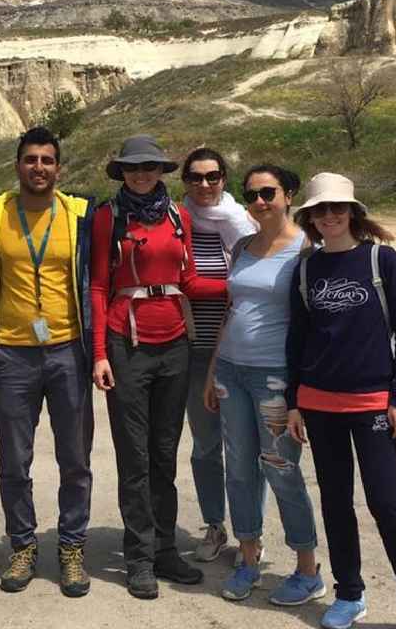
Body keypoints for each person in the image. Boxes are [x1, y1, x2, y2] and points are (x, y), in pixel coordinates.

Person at [0, 126, 95, 597]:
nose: (39, 168)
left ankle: (71, 547)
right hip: (12, 353)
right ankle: (23, 545)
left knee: (75, 458)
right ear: (17, 165)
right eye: (30, 159)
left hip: (69, 349)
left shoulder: (79, 215)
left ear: (59, 167)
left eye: (47, 160)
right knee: (14, 458)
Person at [284, 173, 396, 629]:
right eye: (320, 210)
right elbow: (297, 341)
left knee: (385, 502)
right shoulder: (306, 268)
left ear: (353, 212)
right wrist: (293, 402)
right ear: (309, 218)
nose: (330, 216)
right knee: (335, 501)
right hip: (319, 403)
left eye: (338, 208)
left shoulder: (381, 261)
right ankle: (349, 594)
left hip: (372, 402)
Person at [90, 134, 228, 600]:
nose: (142, 174)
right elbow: (97, 286)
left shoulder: (177, 215)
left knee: (164, 453)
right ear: (122, 172)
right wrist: (99, 354)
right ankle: (139, 558)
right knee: (134, 456)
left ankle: (166, 548)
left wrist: (237, 285)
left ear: (161, 171)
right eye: (133, 168)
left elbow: (186, 279)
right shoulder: (108, 218)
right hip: (125, 342)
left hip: (174, 342)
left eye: (149, 167)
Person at [202, 165, 322, 605]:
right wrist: (214, 371)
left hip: (275, 376)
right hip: (232, 371)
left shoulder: (307, 251)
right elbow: (231, 311)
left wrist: (302, 393)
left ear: (288, 195)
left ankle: (308, 569)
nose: (258, 202)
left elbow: (314, 325)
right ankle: (249, 557)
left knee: (280, 467)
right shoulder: (243, 248)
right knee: (238, 468)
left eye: (268, 192)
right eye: (251, 194)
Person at [177, 147, 255, 564]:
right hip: (194, 351)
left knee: (245, 447)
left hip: (240, 353)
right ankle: (214, 525)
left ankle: (249, 533)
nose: (204, 185)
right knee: (206, 446)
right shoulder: (176, 222)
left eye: (212, 176)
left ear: (225, 178)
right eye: (195, 178)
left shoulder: (246, 225)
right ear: (184, 181)